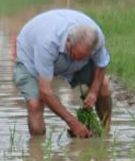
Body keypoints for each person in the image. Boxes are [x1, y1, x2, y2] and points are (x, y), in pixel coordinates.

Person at [14, 8, 112, 137]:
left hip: (63, 55)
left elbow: (101, 63)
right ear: (68, 42)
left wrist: (93, 92)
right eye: (75, 55)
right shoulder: (47, 42)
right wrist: (72, 122)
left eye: (83, 57)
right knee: (35, 104)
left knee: (103, 86)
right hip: (31, 57)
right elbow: (45, 91)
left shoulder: (97, 38)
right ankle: (37, 150)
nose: (77, 59)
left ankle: (106, 134)